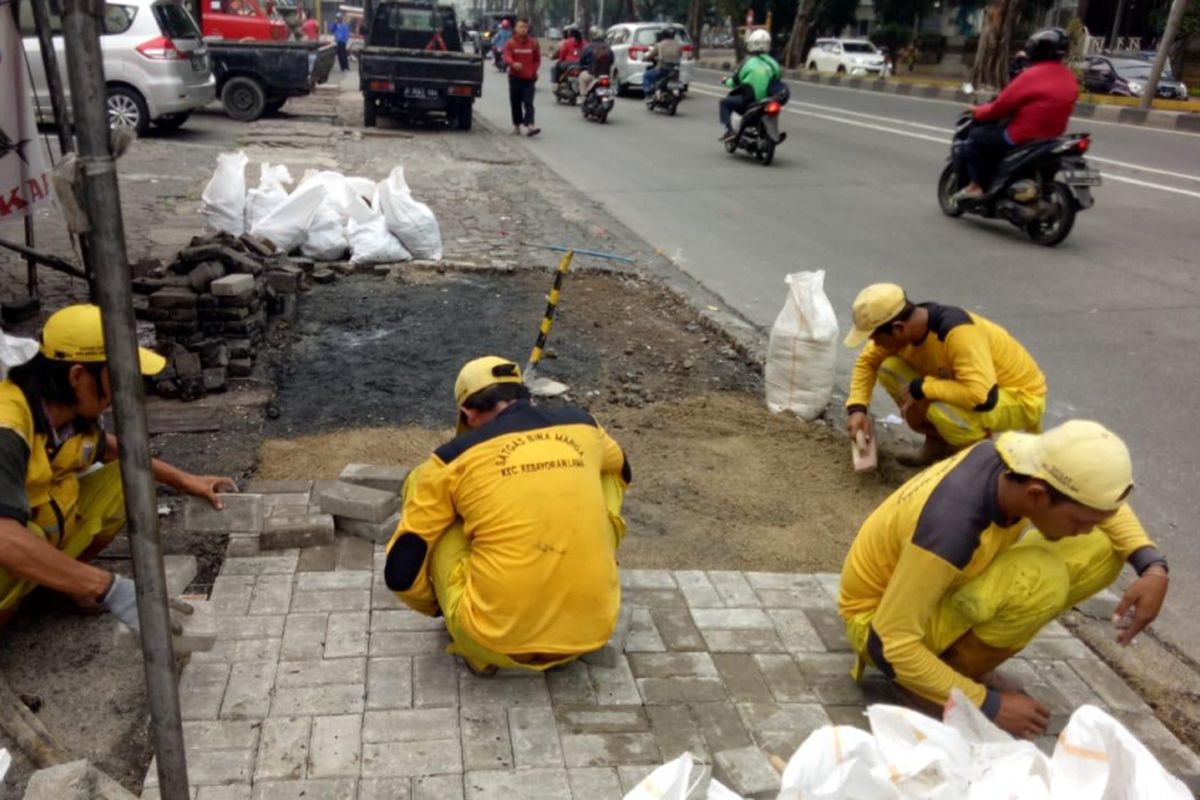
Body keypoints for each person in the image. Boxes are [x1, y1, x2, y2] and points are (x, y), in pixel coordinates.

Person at [838, 420, 1169, 739]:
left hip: (929, 591)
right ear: (1037, 496)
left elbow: (1100, 506)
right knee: (1040, 581)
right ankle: (924, 686)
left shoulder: (1017, 466)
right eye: (1078, 520)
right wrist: (985, 704)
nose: (1084, 527)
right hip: (875, 626)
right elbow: (889, 644)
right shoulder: (950, 530)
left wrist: (1152, 566)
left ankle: (949, 665)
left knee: (1105, 544)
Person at [383, 356, 631, 676]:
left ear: (468, 413)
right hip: (592, 632)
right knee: (607, 473)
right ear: (526, 397)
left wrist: (441, 606)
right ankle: (585, 576)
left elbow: (401, 574)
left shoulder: (450, 461)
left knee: (429, 499)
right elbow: (624, 468)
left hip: (493, 642)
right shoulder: (584, 425)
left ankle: (476, 646)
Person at [0, 305, 235, 633]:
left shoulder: (64, 413)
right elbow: (5, 538)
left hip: (44, 525)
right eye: (118, 376)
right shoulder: (7, 427)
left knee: (127, 480)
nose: (125, 390)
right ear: (78, 376)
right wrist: (108, 587)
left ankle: (57, 583)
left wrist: (185, 480)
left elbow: (110, 449)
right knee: (22, 539)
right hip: (10, 543)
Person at [843, 283, 1047, 467]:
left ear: (898, 328)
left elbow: (980, 396)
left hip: (1018, 396)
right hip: (969, 388)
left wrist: (923, 388)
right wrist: (857, 409)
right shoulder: (907, 329)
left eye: (876, 338)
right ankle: (937, 445)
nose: (875, 345)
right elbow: (867, 363)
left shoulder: (957, 333)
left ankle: (977, 463)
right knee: (888, 367)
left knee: (939, 408)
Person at [952, 28, 1077, 204]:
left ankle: (975, 186)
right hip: (1052, 138)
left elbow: (999, 108)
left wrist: (977, 111)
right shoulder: (1069, 78)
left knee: (975, 137)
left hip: (1021, 136)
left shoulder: (1030, 76)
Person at [719, 29, 780, 142]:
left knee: (724, 103)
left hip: (750, 101)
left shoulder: (747, 62)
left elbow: (735, 81)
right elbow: (777, 79)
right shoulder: (773, 63)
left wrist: (725, 81)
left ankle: (730, 131)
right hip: (768, 100)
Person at [503, 18, 541, 136]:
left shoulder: (533, 43)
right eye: (520, 27)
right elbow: (507, 56)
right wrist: (513, 64)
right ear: (515, 28)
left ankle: (530, 125)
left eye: (525, 27)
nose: (523, 29)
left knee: (528, 102)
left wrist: (533, 71)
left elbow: (537, 59)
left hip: (529, 78)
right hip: (515, 77)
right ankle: (517, 125)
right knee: (515, 102)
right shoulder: (511, 43)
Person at [643, 28, 683, 97]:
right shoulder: (678, 45)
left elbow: (650, 55)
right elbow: (680, 55)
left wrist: (645, 58)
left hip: (662, 69)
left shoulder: (659, 44)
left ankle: (648, 91)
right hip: (675, 70)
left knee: (647, 76)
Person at [577, 28, 614, 98]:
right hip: (606, 75)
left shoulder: (588, 47)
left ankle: (583, 96)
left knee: (582, 77)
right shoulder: (608, 48)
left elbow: (582, 60)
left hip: (593, 74)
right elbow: (612, 61)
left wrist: (581, 66)